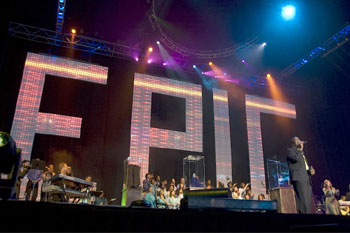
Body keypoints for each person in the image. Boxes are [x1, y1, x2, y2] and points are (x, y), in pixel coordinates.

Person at [287, 137, 315, 214]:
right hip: (299, 177)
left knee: (308, 201)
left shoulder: (301, 153)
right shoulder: (290, 151)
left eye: (300, 140)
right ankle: (303, 219)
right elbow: (295, 159)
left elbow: (303, 165)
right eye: (297, 141)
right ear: (293, 143)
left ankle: (307, 218)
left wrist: (310, 170)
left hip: (306, 177)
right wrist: (300, 150)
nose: (299, 142)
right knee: (303, 201)